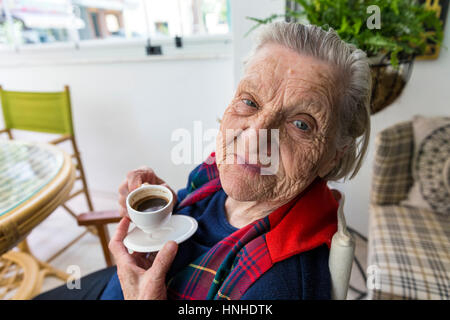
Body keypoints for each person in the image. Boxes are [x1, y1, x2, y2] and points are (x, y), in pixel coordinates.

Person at [35, 21, 371, 300]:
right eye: (250, 102)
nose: (255, 137)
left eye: (301, 124)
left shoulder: (273, 286)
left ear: (332, 156)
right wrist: (165, 208)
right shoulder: (221, 174)